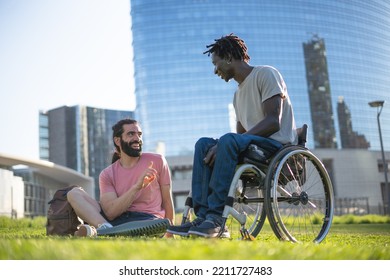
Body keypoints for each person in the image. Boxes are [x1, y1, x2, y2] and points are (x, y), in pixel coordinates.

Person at [167, 33, 297, 238]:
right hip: (254, 147)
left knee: (227, 140)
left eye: (216, 63)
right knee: (203, 144)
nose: (215, 70)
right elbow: (240, 136)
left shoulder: (266, 74)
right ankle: (203, 218)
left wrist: (229, 143)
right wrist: (220, 148)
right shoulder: (237, 95)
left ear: (228, 57)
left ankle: (217, 218)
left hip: (276, 147)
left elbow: (273, 121)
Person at [67, 118, 175, 237]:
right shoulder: (107, 174)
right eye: (131, 134)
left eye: (139, 134)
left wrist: (170, 233)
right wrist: (137, 187)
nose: (137, 138)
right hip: (115, 221)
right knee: (74, 193)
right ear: (118, 141)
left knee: (152, 225)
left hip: (148, 219)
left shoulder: (157, 161)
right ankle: (106, 229)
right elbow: (110, 213)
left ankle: (97, 233)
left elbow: (167, 200)